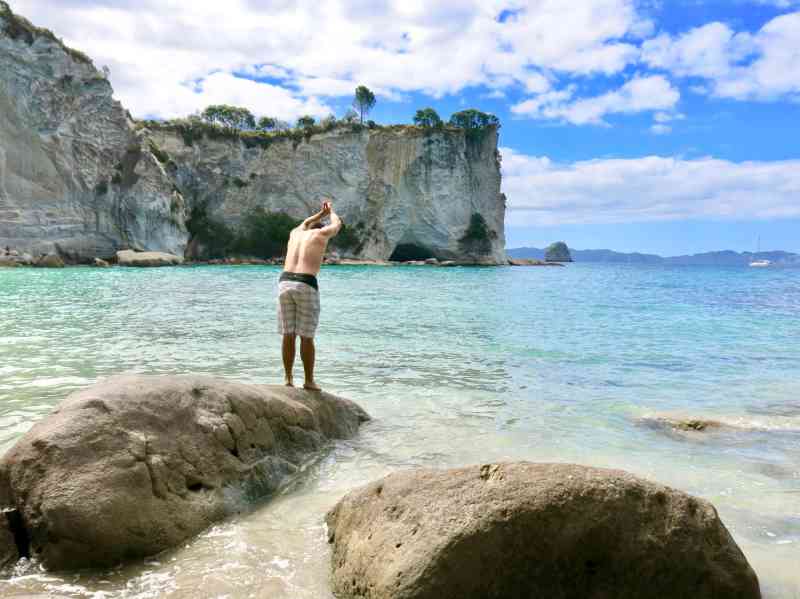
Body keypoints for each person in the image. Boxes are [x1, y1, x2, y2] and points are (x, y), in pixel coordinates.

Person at [277, 199, 341, 390]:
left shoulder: (295, 233)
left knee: (288, 334)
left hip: (284, 282)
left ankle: (288, 379)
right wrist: (331, 212)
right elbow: (337, 225)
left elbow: (305, 222)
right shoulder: (321, 234)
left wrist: (320, 214)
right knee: (306, 336)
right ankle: (309, 380)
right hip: (305, 283)